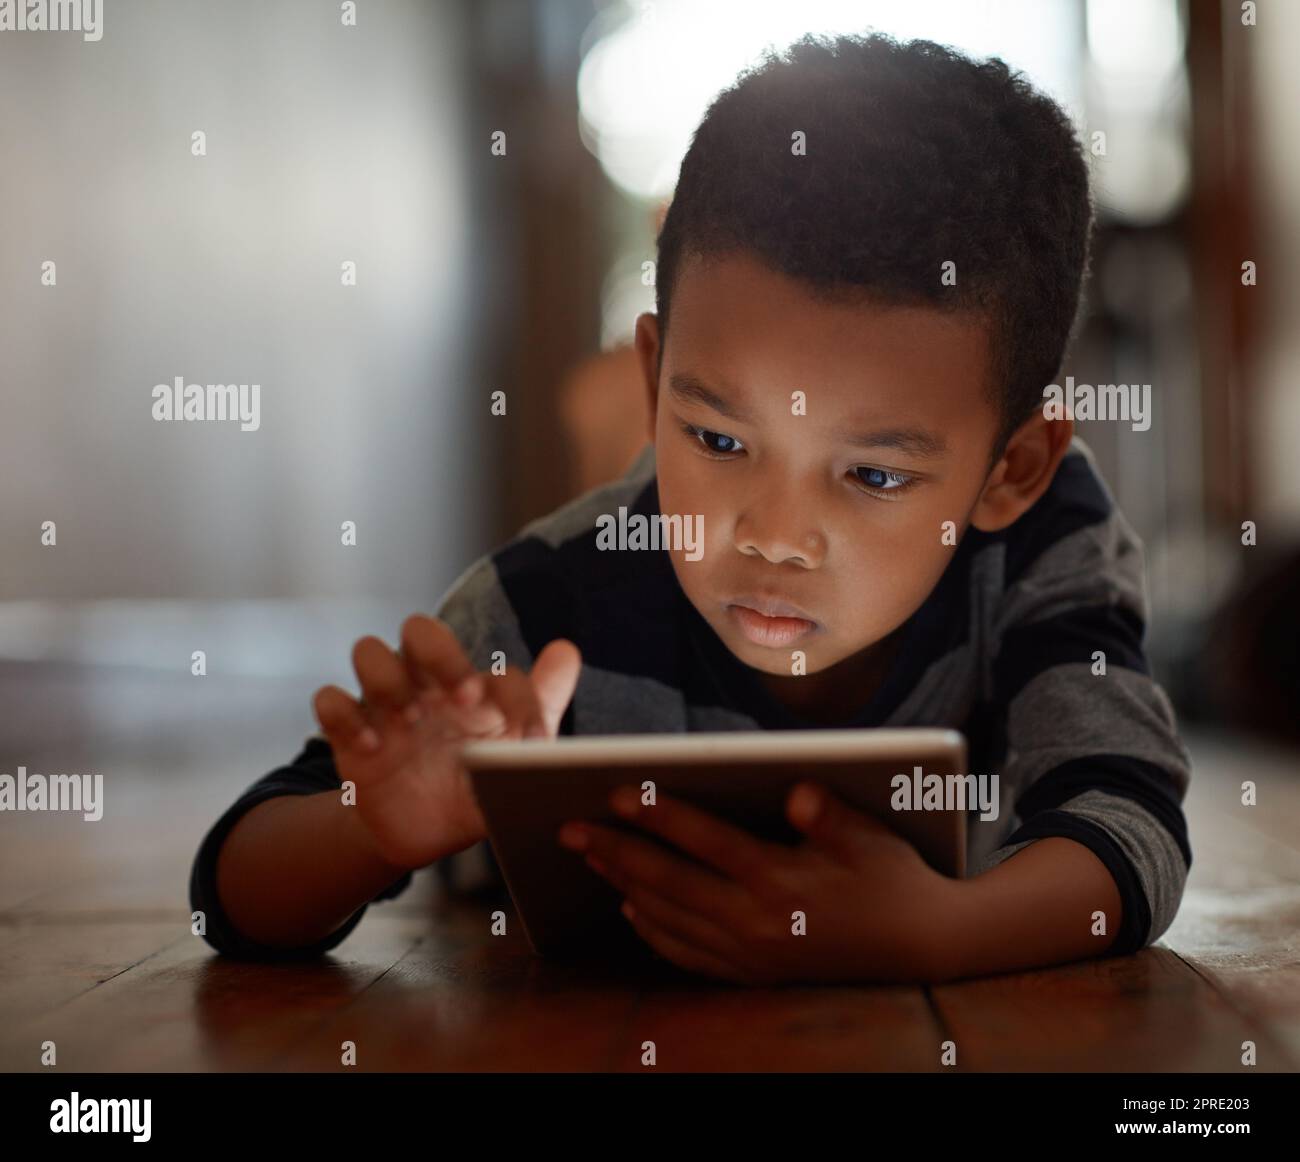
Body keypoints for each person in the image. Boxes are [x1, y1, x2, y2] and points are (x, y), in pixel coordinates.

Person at [190, 33, 1191, 985]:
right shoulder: (548, 607)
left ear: (1009, 468)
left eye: (873, 476)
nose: (771, 535)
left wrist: (935, 933)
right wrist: (371, 827)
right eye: (719, 441)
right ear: (654, 375)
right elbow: (230, 897)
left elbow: (1127, 822)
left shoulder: (1041, 540)